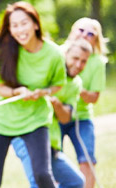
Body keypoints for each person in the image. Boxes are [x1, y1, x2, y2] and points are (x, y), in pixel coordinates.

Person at [0, 1, 67, 188]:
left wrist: (43, 92)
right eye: (14, 25)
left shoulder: (54, 54)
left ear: (35, 24)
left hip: (35, 120)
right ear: (10, 29)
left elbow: (58, 85)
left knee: (43, 175)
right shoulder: (3, 51)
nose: (20, 30)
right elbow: (1, 89)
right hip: (2, 121)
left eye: (24, 23)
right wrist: (18, 91)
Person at [11, 39, 93, 188]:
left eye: (83, 61)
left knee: (75, 181)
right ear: (65, 54)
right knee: (40, 183)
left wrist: (57, 105)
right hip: (27, 135)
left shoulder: (76, 83)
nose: (78, 65)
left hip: (50, 142)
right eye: (75, 58)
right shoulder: (48, 68)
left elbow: (65, 118)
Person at [60, 17, 109, 188]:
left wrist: (77, 88)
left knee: (87, 158)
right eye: (81, 30)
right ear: (73, 30)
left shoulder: (97, 62)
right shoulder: (57, 53)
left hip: (81, 117)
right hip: (55, 115)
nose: (84, 35)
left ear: (95, 39)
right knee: (53, 160)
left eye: (90, 34)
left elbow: (94, 98)